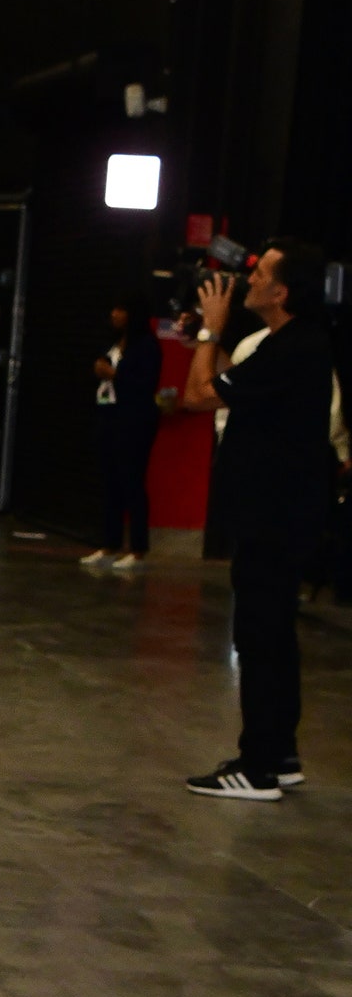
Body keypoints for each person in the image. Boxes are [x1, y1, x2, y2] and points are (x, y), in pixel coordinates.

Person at [181, 241, 334, 800]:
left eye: (261, 273)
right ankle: (281, 753)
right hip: (283, 513)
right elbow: (235, 386)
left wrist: (206, 333)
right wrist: (215, 340)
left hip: (273, 516)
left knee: (260, 633)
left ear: (281, 291)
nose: (249, 279)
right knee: (274, 633)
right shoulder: (291, 345)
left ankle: (258, 765)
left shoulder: (294, 347)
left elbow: (198, 395)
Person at [80, 293, 162, 570]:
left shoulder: (147, 346)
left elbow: (145, 384)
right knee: (109, 481)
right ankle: (109, 544)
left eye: (120, 309)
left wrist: (115, 375)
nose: (114, 314)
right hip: (109, 415)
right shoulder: (114, 343)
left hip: (134, 421)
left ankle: (138, 548)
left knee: (132, 482)